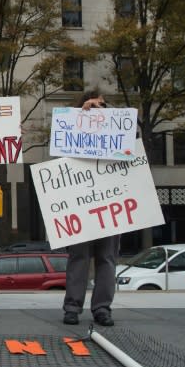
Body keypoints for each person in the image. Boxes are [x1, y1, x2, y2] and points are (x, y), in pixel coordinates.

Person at [63, 90, 120, 327]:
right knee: (79, 257)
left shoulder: (118, 131)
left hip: (110, 202)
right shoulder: (70, 131)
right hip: (80, 204)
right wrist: (81, 115)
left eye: (102, 105)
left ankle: (102, 308)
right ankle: (72, 307)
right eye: (93, 104)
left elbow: (130, 142)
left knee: (106, 258)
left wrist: (109, 116)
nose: (98, 108)